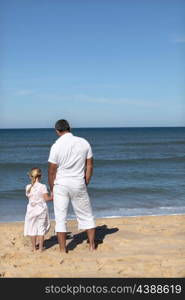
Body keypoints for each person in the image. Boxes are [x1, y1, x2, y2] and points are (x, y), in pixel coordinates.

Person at [48, 119, 95, 253]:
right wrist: (87, 180)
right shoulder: (83, 142)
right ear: (69, 128)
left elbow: (52, 170)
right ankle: (92, 246)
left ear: (57, 131)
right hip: (78, 182)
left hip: (61, 185)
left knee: (60, 217)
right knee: (86, 214)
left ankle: (63, 249)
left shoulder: (56, 146)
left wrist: (52, 189)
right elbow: (90, 164)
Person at [24, 167, 52, 252]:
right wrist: (52, 196)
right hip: (41, 209)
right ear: (40, 176)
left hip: (31, 210)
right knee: (41, 228)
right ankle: (40, 248)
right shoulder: (43, 186)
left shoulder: (28, 187)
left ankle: (33, 248)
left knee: (32, 228)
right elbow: (46, 199)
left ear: (30, 177)